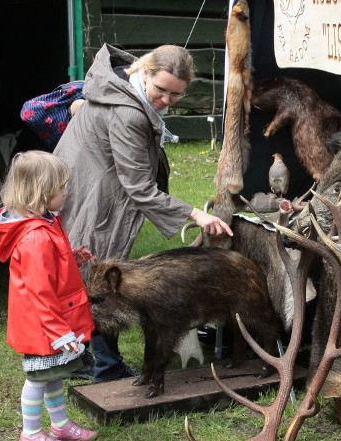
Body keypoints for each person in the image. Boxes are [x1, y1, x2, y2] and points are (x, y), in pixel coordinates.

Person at [53, 43, 233, 383]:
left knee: (85, 272)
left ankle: (81, 357)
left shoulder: (123, 86)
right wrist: (196, 215)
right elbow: (138, 187)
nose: (166, 100)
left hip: (87, 179)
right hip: (93, 191)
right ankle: (104, 368)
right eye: (161, 90)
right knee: (98, 278)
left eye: (176, 95)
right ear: (145, 72)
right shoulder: (129, 112)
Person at [0, 151, 98, 441]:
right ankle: (31, 433)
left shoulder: (43, 223)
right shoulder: (35, 238)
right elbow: (40, 292)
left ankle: (59, 424)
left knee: (53, 374)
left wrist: (70, 258)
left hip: (46, 323)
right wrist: (61, 333)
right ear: (42, 192)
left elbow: (48, 271)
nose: (66, 192)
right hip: (42, 326)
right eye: (62, 188)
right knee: (37, 378)